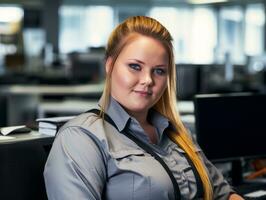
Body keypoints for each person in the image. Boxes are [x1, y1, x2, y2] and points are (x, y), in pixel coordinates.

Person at [44, 16, 243, 200]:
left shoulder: (177, 133)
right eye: (135, 67)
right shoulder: (80, 138)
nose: (147, 80)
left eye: (159, 71)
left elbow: (222, 194)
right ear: (110, 65)